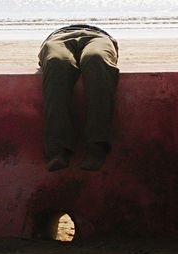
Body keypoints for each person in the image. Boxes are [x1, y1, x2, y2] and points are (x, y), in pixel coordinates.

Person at [38, 24, 119, 171]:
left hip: (98, 35)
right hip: (57, 36)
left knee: (95, 58)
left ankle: (97, 146)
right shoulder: (55, 38)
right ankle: (57, 150)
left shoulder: (101, 37)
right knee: (57, 62)